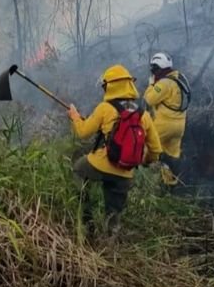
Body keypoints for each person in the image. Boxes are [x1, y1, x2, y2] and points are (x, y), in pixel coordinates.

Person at [66, 64, 163, 233]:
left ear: (109, 86)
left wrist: (74, 116)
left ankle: (86, 219)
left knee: (78, 170)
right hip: (125, 173)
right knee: (114, 213)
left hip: (99, 165)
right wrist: (145, 161)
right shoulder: (144, 115)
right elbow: (155, 150)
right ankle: (111, 238)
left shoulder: (105, 108)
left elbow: (83, 133)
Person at [143, 52, 190, 187]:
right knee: (172, 155)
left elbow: (149, 99)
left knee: (147, 147)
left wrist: (151, 84)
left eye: (154, 69)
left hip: (164, 125)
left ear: (158, 68)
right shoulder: (180, 78)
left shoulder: (164, 83)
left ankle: (144, 181)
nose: (153, 72)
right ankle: (171, 184)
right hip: (179, 126)